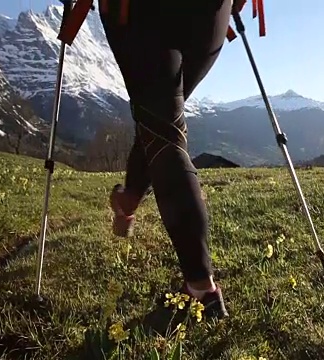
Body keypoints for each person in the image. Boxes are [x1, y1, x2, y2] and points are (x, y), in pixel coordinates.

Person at [98, 0, 238, 320]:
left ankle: (202, 290)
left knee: (161, 126)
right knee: (159, 117)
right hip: (211, 12)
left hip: (140, 11)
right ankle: (129, 198)